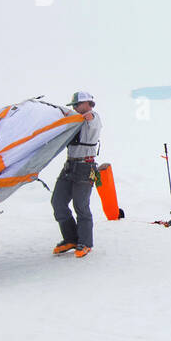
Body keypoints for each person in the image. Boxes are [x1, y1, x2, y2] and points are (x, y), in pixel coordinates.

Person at [52, 91, 103, 258]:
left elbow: (91, 118)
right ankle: (71, 239)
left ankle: (86, 243)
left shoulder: (93, 118)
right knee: (58, 202)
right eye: (73, 106)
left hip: (85, 167)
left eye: (77, 105)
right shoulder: (74, 120)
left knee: (81, 205)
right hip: (69, 166)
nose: (74, 108)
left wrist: (84, 115)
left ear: (87, 103)